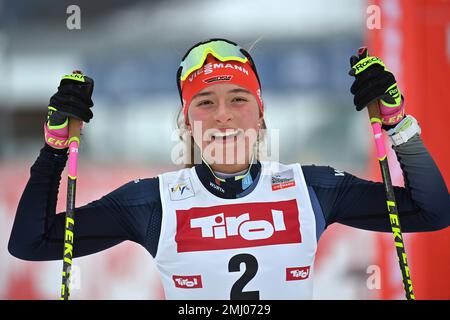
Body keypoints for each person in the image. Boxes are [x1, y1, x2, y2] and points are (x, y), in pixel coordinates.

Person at [8, 38, 449, 300]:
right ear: (186, 121)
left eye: (239, 99)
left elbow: (432, 212)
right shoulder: (150, 202)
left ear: (260, 115)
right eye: (205, 102)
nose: (223, 115)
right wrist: (54, 152)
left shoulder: (310, 187)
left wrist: (396, 124)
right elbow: (31, 242)